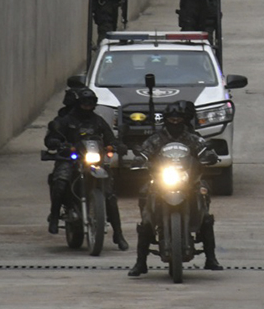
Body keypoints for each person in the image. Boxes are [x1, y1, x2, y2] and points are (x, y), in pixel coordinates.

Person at [128, 101, 223, 275]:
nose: (175, 122)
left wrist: (209, 155)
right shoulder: (157, 138)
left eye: (178, 118)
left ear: (184, 119)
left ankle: (211, 258)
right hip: (162, 181)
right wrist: (140, 158)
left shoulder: (192, 138)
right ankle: (141, 262)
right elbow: (145, 151)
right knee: (145, 200)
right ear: (165, 119)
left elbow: (204, 150)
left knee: (205, 200)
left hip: (189, 181)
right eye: (171, 119)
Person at [44, 88, 131, 251]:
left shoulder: (98, 121)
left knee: (110, 195)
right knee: (61, 180)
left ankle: (118, 234)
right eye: (84, 103)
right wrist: (57, 142)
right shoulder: (67, 120)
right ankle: (55, 216)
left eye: (90, 103)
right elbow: (51, 137)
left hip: (95, 161)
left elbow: (110, 138)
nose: (87, 106)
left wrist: (117, 145)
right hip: (71, 160)